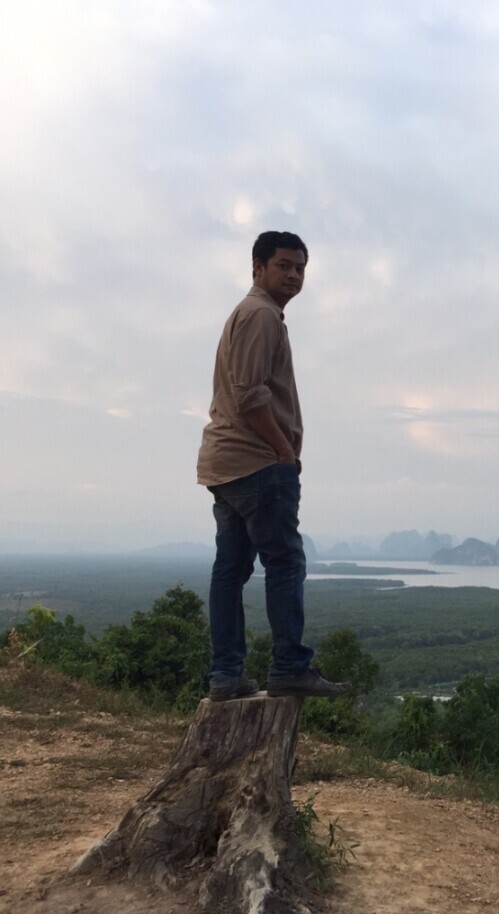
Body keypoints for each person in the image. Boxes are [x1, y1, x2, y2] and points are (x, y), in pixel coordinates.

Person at [197, 231, 351, 701]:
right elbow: (250, 396)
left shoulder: (254, 316)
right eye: (284, 265)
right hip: (258, 464)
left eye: (300, 268)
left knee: (231, 569)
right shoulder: (261, 315)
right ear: (258, 268)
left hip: (228, 466)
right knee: (285, 562)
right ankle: (288, 666)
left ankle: (226, 676)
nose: (294, 275)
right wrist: (284, 451)